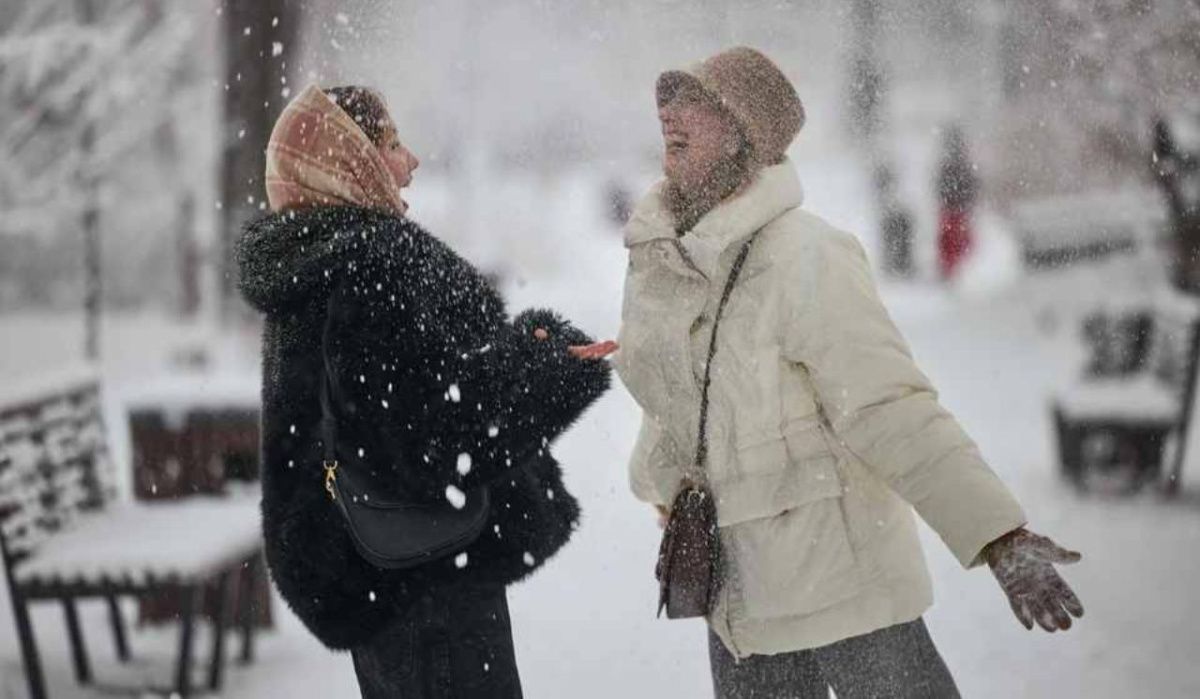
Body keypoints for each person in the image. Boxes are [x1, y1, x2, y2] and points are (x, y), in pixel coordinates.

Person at [613, 47, 1084, 699]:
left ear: (742, 137)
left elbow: (893, 409)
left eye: (695, 101)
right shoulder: (673, 262)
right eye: (668, 100)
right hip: (741, 607)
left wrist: (999, 534)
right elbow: (674, 406)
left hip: (849, 602)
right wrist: (663, 481)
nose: (670, 112)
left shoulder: (808, 256)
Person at [237, 84, 616, 698]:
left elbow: (387, 414)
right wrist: (544, 368)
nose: (410, 161)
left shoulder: (313, 259)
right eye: (389, 143)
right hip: (428, 579)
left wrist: (518, 349)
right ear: (347, 160)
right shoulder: (374, 262)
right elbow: (434, 439)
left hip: (379, 569)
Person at [936, 125, 979, 281]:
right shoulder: (961, 164)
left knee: (950, 242)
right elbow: (971, 185)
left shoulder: (948, 165)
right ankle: (955, 270)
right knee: (958, 242)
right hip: (957, 209)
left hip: (952, 209)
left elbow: (940, 186)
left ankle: (951, 270)